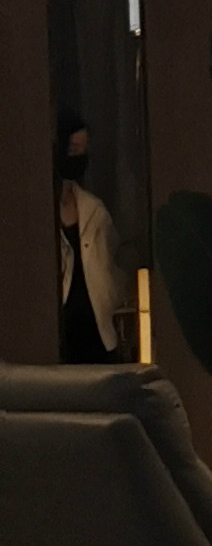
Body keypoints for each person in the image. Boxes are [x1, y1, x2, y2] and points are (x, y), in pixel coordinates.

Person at [55, 109, 123, 362]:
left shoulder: (94, 211)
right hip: (59, 340)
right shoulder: (37, 214)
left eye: (83, 151)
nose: (79, 158)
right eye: (73, 150)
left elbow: (112, 263)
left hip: (97, 338)